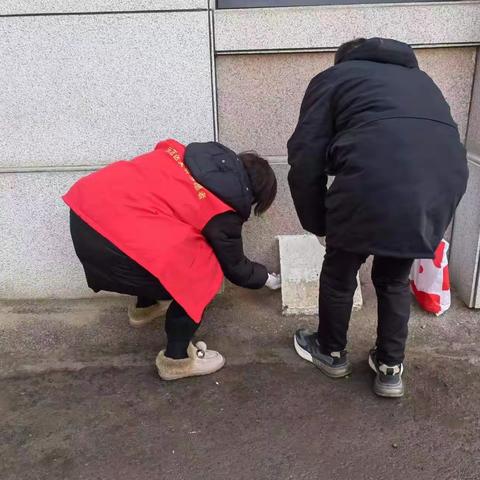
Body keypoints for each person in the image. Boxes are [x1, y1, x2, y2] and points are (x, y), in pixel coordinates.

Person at [288, 37, 468, 397]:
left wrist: (319, 223)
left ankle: (331, 351)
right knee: (393, 278)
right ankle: (389, 367)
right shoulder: (423, 81)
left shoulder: (334, 78)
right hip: (439, 185)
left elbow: (306, 155)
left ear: (343, 60)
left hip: (372, 177)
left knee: (340, 273)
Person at [63, 139, 280, 381]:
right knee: (204, 271)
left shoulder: (181, 156)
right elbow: (236, 267)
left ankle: (145, 308)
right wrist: (268, 279)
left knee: (161, 241)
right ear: (254, 196)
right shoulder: (222, 211)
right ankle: (177, 360)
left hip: (84, 212)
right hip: (112, 245)